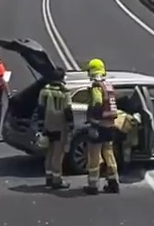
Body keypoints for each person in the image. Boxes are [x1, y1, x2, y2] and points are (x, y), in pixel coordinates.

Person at [82, 57, 120, 195]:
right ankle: (113, 182)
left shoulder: (96, 87)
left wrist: (93, 118)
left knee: (94, 154)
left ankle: (93, 185)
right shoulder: (108, 85)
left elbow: (97, 103)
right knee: (109, 153)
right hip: (110, 125)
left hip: (98, 125)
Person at [36, 66, 74, 189]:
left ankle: (48, 177)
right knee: (58, 154)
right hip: (59, 126)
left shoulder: (44, 91)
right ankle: (57, 180)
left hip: (47, 125)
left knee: (49, 152)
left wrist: (40, 126)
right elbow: (68, 110)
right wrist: (70, 125)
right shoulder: (64, 92)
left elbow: (40, 109)